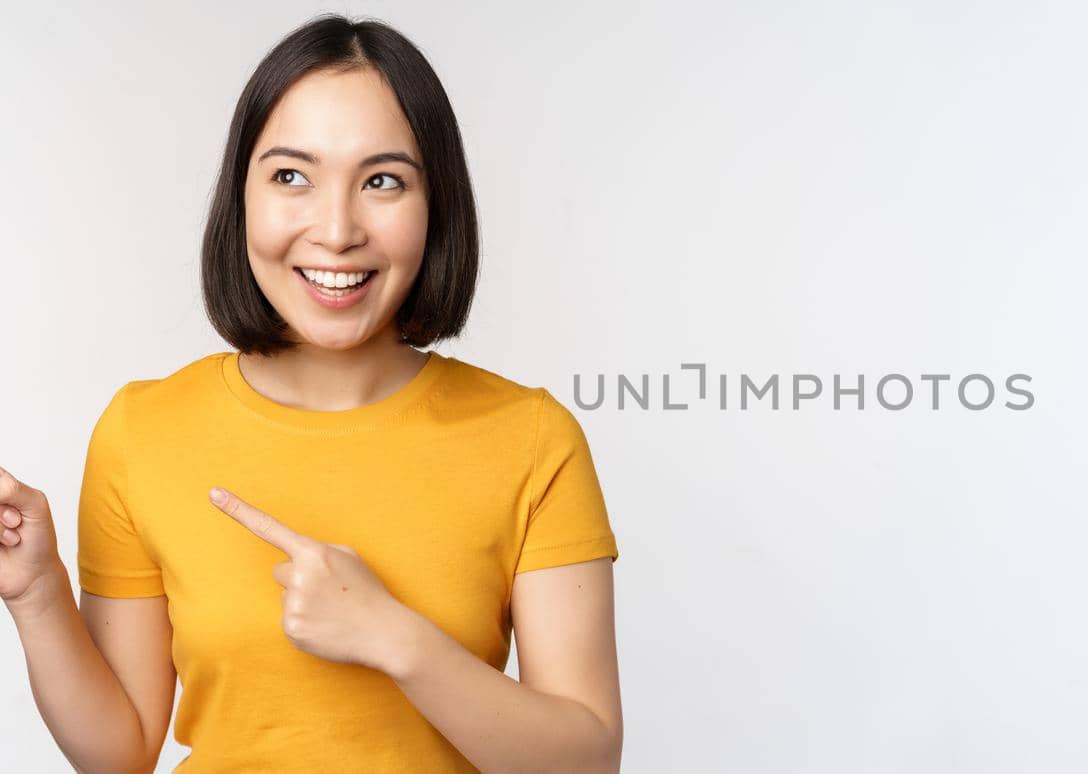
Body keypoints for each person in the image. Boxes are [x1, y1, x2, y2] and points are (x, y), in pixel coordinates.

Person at [0, 13, 622, 773]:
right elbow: (119, 754)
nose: (335, 230)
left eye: (383, 181)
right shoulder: (143, 431)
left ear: (438, 205)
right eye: (292, 175)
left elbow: (584, 763)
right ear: (242, 196)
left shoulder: (530, 437)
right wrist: (36, 593)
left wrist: (394, 638)